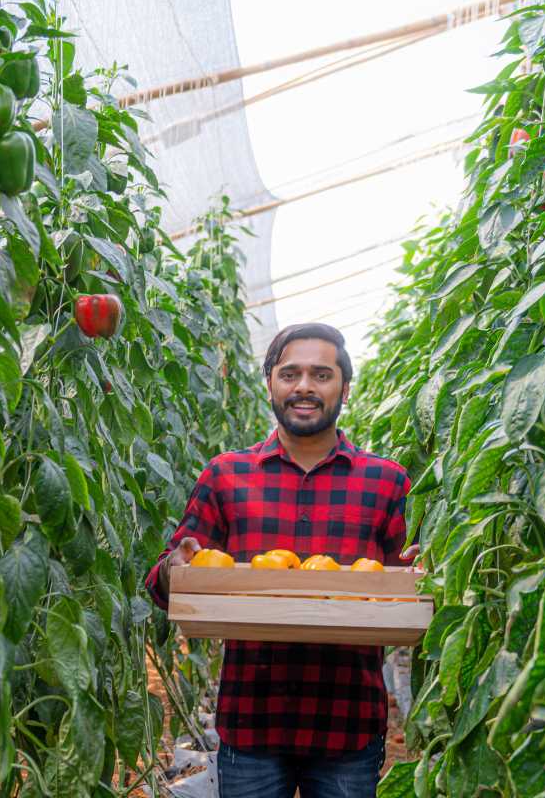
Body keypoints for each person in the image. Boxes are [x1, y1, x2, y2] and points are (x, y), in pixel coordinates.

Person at [144, 323, 418, 798]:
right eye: (290, 374)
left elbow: (407, 585)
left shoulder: (386, 482)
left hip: (347, 724)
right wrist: (177, 566)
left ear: (345, 389)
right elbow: (163, 580)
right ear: (269, 382)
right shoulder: (227, 476)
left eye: (321, 374)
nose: (305, 387)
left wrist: (420, 571)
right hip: (254, 721)